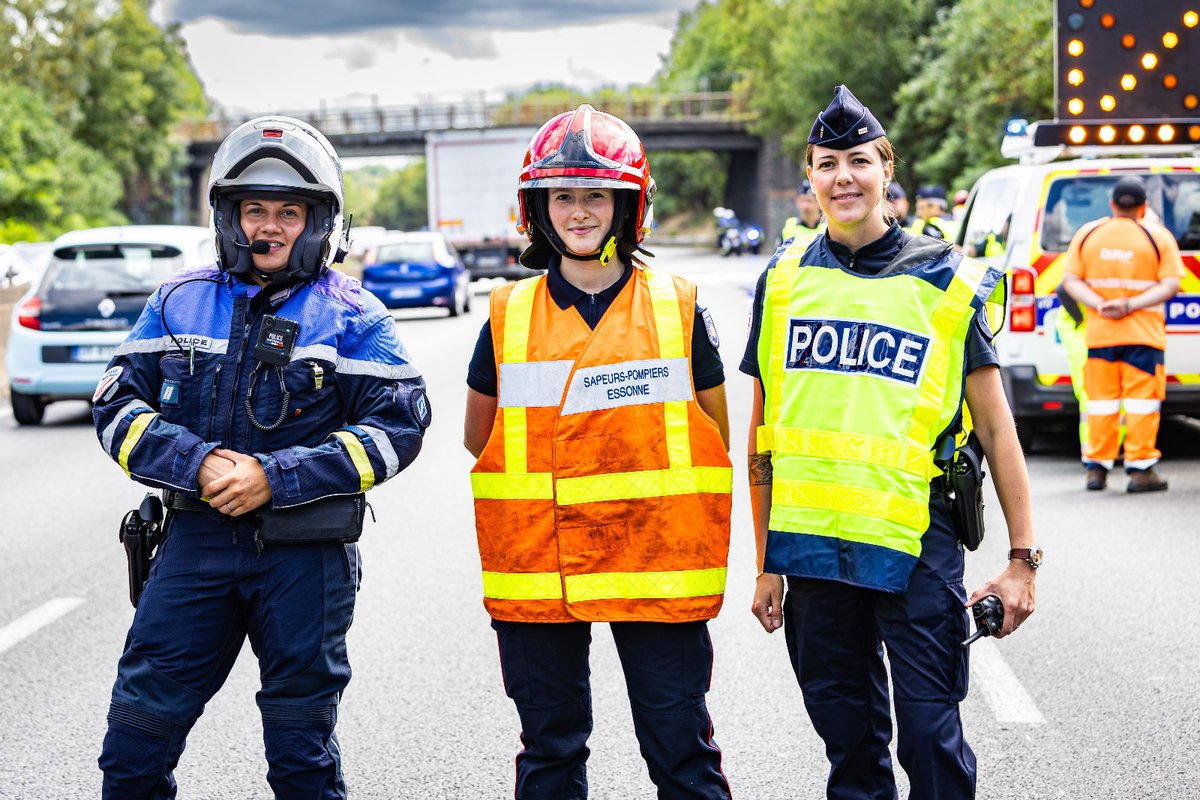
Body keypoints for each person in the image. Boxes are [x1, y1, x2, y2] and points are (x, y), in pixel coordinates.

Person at [92, 116, 429, 798]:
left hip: (304, 561)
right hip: (195, 546)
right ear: (227, 216)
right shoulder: (177, 301)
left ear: (317, 222)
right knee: (133, 748)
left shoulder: (357, 316)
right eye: (253, 209)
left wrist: (275, 478)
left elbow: (400, 426)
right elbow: (114, 406)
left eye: (288, 211)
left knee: (301, 759)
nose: (267, 226)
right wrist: (199, 463)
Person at [743, 85, 1039, 799]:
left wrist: (1024, 560)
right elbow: (761, 437)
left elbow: (998, 430)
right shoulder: (782, 283)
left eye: (857, 160)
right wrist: (764, 565)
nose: (843, 177)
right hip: (812, 556)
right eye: (825, 163)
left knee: (932, 743)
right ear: (809, 178)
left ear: (885, 168)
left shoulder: (947, 280)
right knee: (850, 753)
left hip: (916, 545)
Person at [463, 104, 734, 800]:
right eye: (564, 196)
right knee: (551, 755)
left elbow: (714, 433)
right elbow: (480, 438)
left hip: (657, 570)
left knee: (681, 750)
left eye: (595, 195)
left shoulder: (678, 308)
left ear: (626, 206)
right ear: (538, 209)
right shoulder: (507, 315)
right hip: (541, 574)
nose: (579, 211)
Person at [1059, 176, 1184, 492]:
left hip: (1101, 336)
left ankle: (1096, 469)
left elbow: (1069, 281)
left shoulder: (1088, 234)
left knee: (1101, 403)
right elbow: (1170, 284)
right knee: (1142, 402)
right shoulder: (1157, 236)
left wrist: (1101, 305)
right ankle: (1140, 471)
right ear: (1143, 206)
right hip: (1143, 336)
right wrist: (1129, 305)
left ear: (1113, 204)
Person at [780, 179, 824, 247]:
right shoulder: (789, 227)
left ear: (818, 203)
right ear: (797, 202)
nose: (805, 206)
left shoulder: (827, 229)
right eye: (802, 201)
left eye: (809, 201)